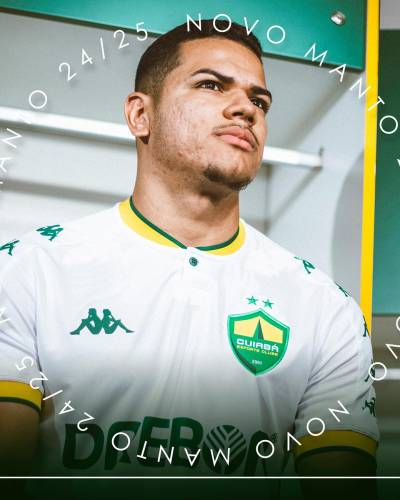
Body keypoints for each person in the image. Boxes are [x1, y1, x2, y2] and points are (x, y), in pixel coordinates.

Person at [0, 19, 378, 499]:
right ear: (141, 115)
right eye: (211, 85)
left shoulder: (326, 308)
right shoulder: (27, 269)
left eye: (259, 101)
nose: (245, 108)